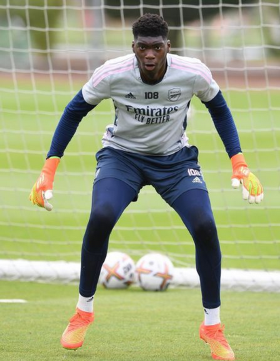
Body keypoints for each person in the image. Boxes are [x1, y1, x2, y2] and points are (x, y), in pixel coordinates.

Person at [29, 13, 263, 360]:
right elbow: (73, 110)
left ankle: (212, 327)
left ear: (168, 46)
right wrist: (48, 170)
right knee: (102, 215)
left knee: (205, 224)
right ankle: (82, 312)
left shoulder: (192, 72)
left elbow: (220, 109)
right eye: (142, 48)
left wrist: (239, 163)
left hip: (175, 159)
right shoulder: (112, 73)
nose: (150, 55)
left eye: (156, 47)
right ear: (133, 47)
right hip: (121, 157)